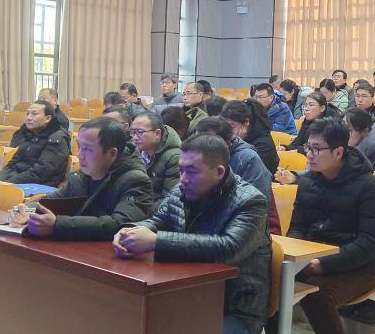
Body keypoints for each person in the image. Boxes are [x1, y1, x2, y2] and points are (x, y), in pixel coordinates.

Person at [114, 135, 271, 334]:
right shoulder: (182, 189)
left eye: (192, 171)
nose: (183, 179)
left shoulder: (251, 201)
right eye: (180, 170)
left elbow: (229, 248)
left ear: (219, 172)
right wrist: (131, 231)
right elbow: (158, 220)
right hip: (185, 294)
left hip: (234, 308)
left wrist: (156, 241)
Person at [281, 118, 375, 334]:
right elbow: (297, 227)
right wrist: (299, 256)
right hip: (311, 259)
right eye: (308, 147)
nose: (309, 154)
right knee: (269, 282)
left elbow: (371, 243)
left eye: (317, 149)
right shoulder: (308, 181)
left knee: (317, 295)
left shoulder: (369, 186)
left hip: (360, 266)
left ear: (338, 152)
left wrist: (323, 264)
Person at [13, 117, 154, 240]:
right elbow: (53, 200)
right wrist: (27, 210)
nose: (80, 155)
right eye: (79, 147)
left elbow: (121, 224)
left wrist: (57, 225)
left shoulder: (136, 181)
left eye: (87, 149)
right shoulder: (83, 175)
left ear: (112, 153)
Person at [0, 100, 71, 187]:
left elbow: (41, 173)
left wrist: (7, 184)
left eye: (34, 114)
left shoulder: (57, 138)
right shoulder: (30, 133)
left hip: (41, 185)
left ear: (47, 118)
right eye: (27, 114)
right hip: (19, 179)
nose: (29, 118)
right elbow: (12, 164)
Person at [131, 111, 182, 201]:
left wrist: (140, 207)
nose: (135, 137)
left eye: (140, 132)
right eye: (133, 132)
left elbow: (169, 199)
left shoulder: (174, 157)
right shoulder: (136, 152)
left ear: (157, 133)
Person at [222, 99, 280, 174]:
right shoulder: (236, 140)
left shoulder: (264, 145)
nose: (228, 130)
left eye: (232, 126)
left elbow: (251, 174)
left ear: (246, 122)